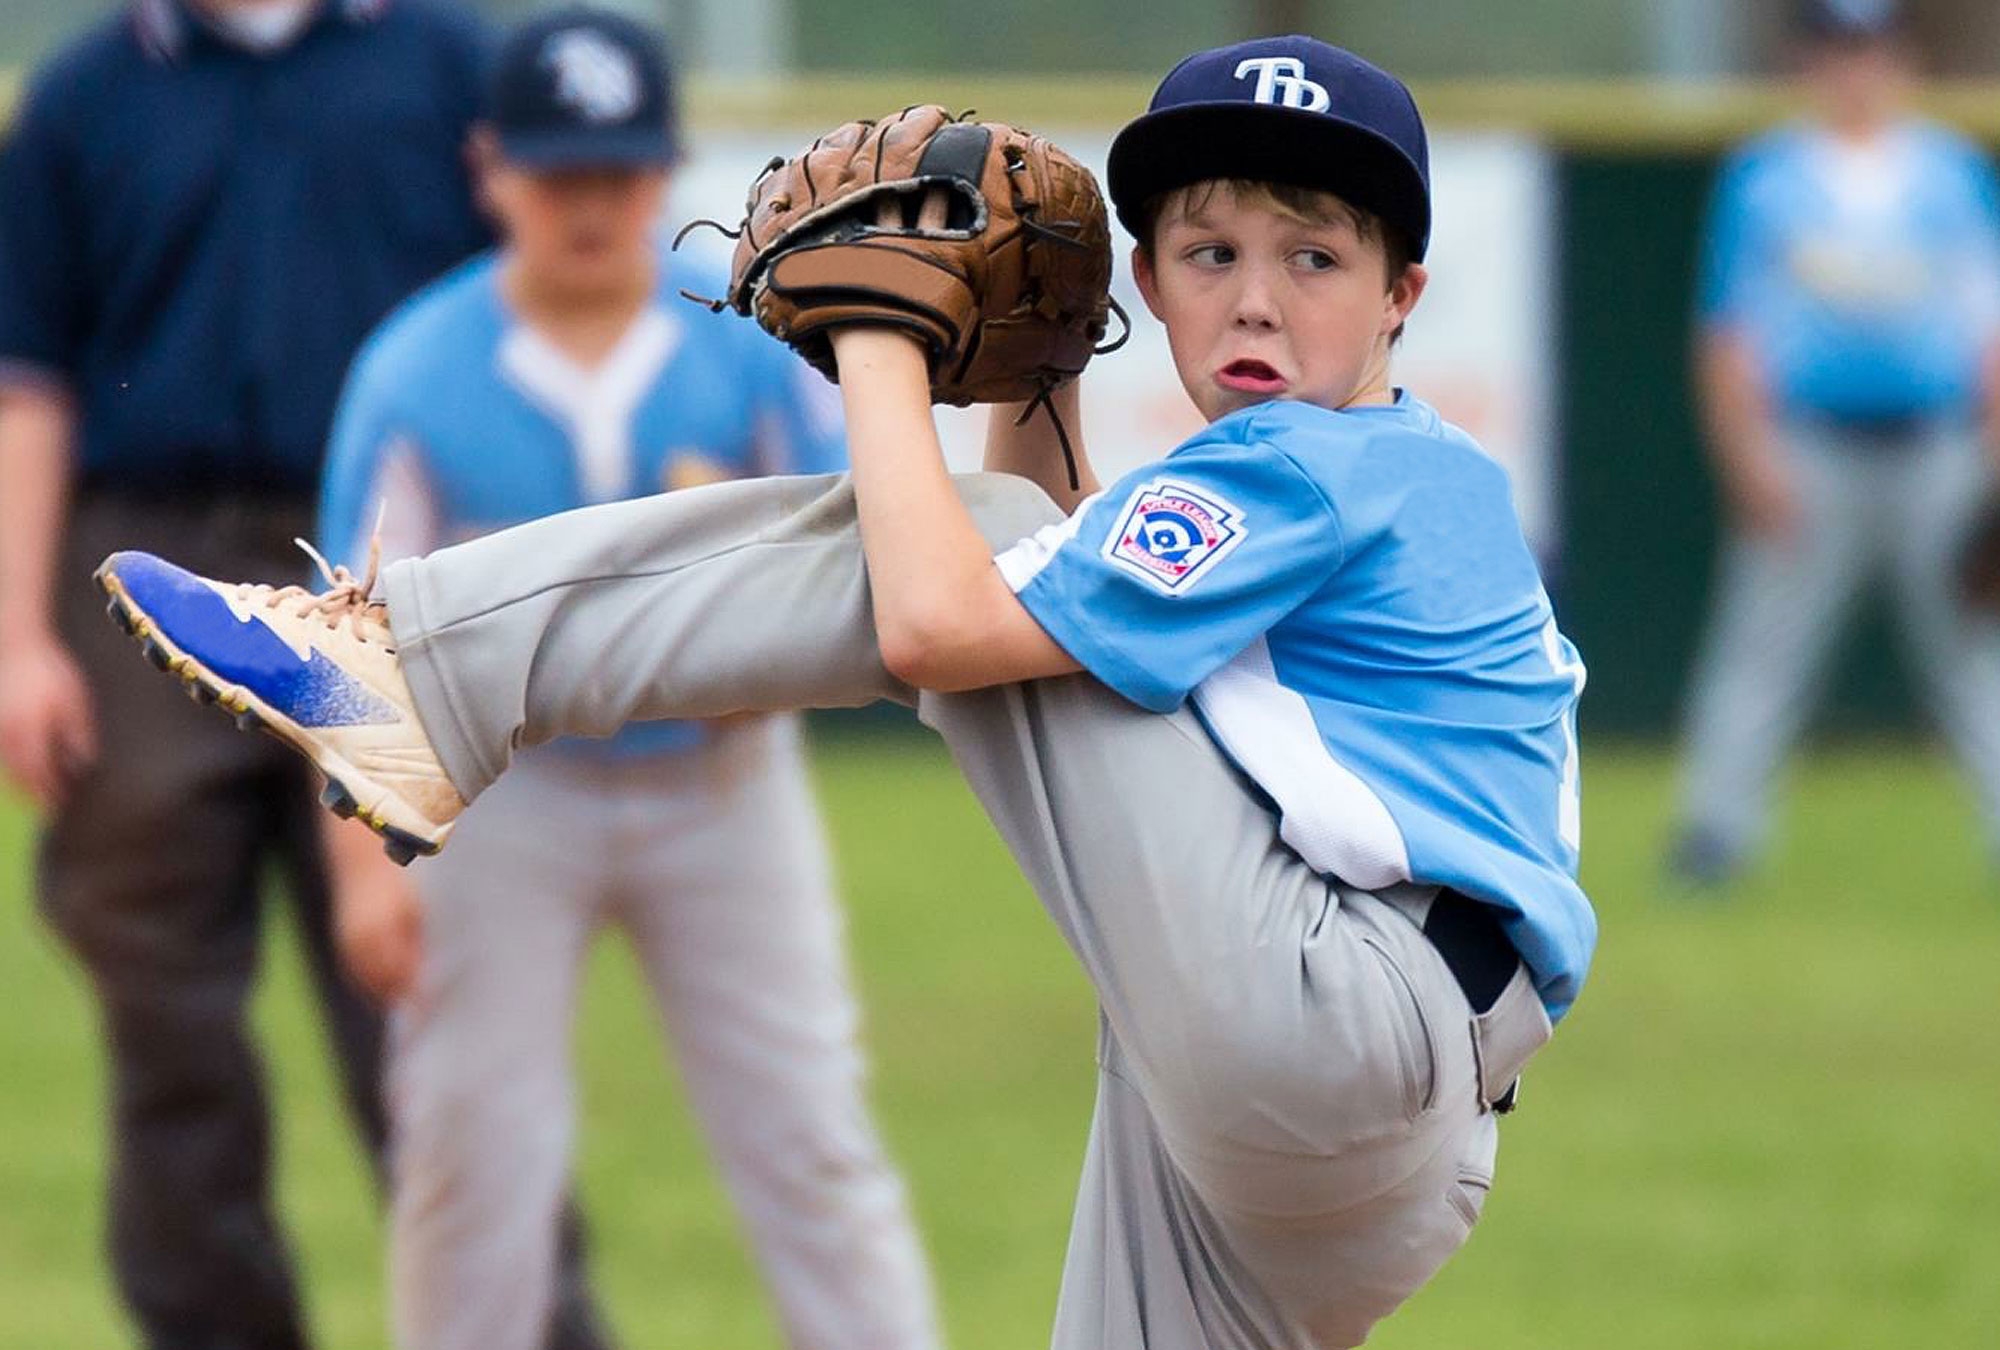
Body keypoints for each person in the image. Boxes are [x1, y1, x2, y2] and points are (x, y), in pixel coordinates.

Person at [95, 34, 1595, 1350]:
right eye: (1212, 256)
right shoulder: (1373, 483)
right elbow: (1042, 639)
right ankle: (422, 682)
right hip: (1375, 1140)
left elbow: (946, 620)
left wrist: (879, 336)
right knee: (1011, 560)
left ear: (1403, 295)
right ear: (1148, 281)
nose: (1257, 301)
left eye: (1315, 259)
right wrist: (1041, 371)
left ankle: (415, 669)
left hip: (1330, 1015)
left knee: (974, 550)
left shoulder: (1325, 467)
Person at [314, 11, 941, 1349]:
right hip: (503, 799)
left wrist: (755, 648)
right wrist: (366, 863)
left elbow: (864, 545)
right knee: (471, 1154)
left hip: (723, 784)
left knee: (810, 1136)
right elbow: (350, 633)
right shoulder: (417, 369)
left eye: (618, 173)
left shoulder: (743, 340)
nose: (590, 205)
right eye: (559, 174)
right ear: (490, 169)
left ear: (665, 175)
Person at [0, 2, 534, 1347]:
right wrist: (15, 636)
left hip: (385, 549)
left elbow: (530, 327)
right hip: (144, 561)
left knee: (430, 1014)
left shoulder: (447, 68)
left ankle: (523, 1323)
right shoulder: (84, 98)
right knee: (164, 1019)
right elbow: (26, 382)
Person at [1667, 0, 2000, 887]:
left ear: (1903, 60)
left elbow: (1989, 324)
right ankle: (1715, 839)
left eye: (1872, 49)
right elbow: (1728, 332)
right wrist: (1747, 457)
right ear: (1809, 63)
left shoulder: (1953, 171)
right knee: (1763, 648)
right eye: (1838, 50)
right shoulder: (1765, 176)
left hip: (1939, 450)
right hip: (1807, 447)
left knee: (1977, 658)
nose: (1856, 68)